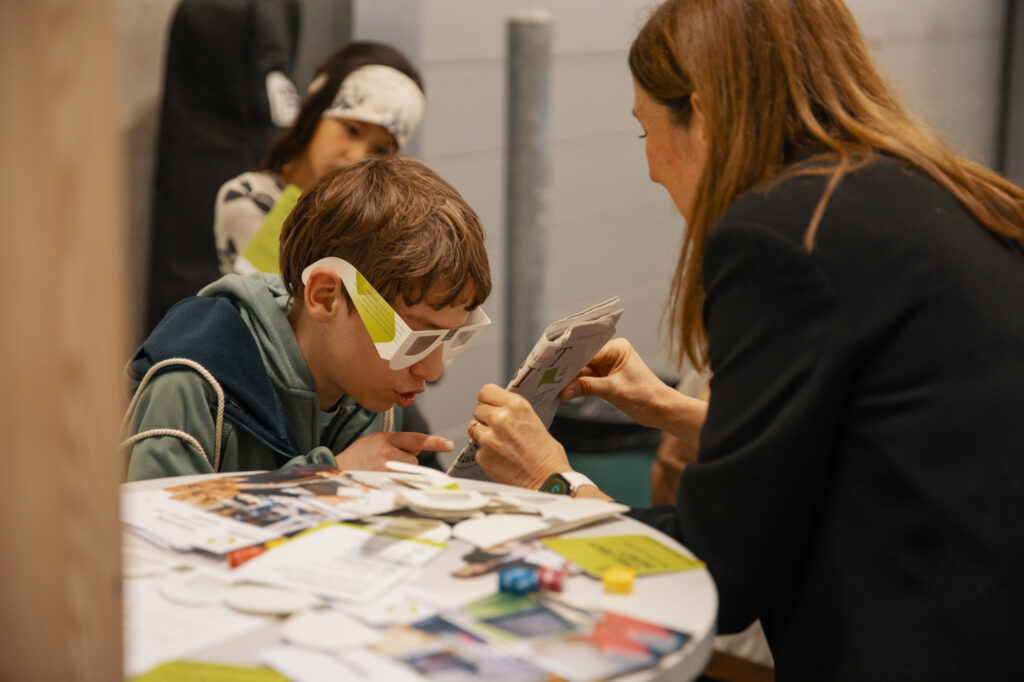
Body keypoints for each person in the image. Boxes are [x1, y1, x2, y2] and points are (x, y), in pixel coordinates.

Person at [464, 0, 1024, 678]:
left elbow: (715, 571)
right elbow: (859, 448)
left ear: (700, 114)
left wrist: (550, 480)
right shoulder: (932, 192)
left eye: (646, 133)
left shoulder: (782, 234)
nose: (650, 169)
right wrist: (672, 410)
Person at [123, 156, 491, 482]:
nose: (431, 369)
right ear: (326, 296)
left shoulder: (375, 391)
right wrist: (325, 479)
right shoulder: (192, 386)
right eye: (415, 339)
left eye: (450, 338)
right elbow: (153, 547)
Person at [213, 40, 426, 275]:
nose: (357, 157)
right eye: (352, 130)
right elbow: (287, 305)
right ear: (317, 112)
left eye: (380, 151)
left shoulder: (382, 227)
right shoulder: (249, 197)